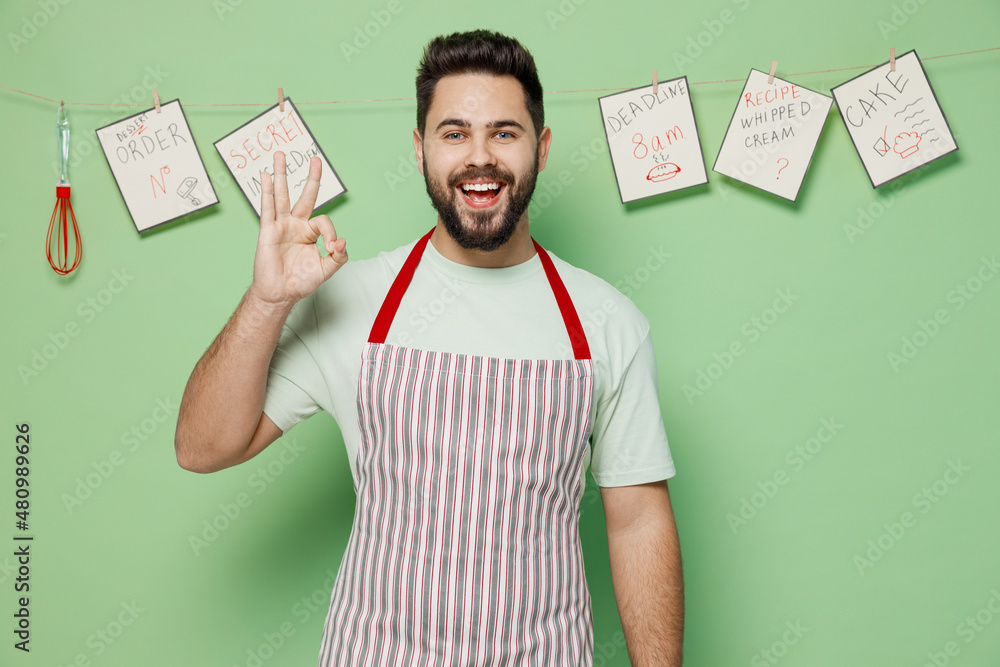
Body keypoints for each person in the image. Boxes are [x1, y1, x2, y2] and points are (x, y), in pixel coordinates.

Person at [175, 29, 683, 667]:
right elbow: (201, 448)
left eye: (504, 132)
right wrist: (268, 301)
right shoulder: (350, 299)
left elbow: (638, 522)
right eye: (453, 133)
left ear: (541, 147)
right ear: (419, 150)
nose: (479, 158)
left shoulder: (608, 322)